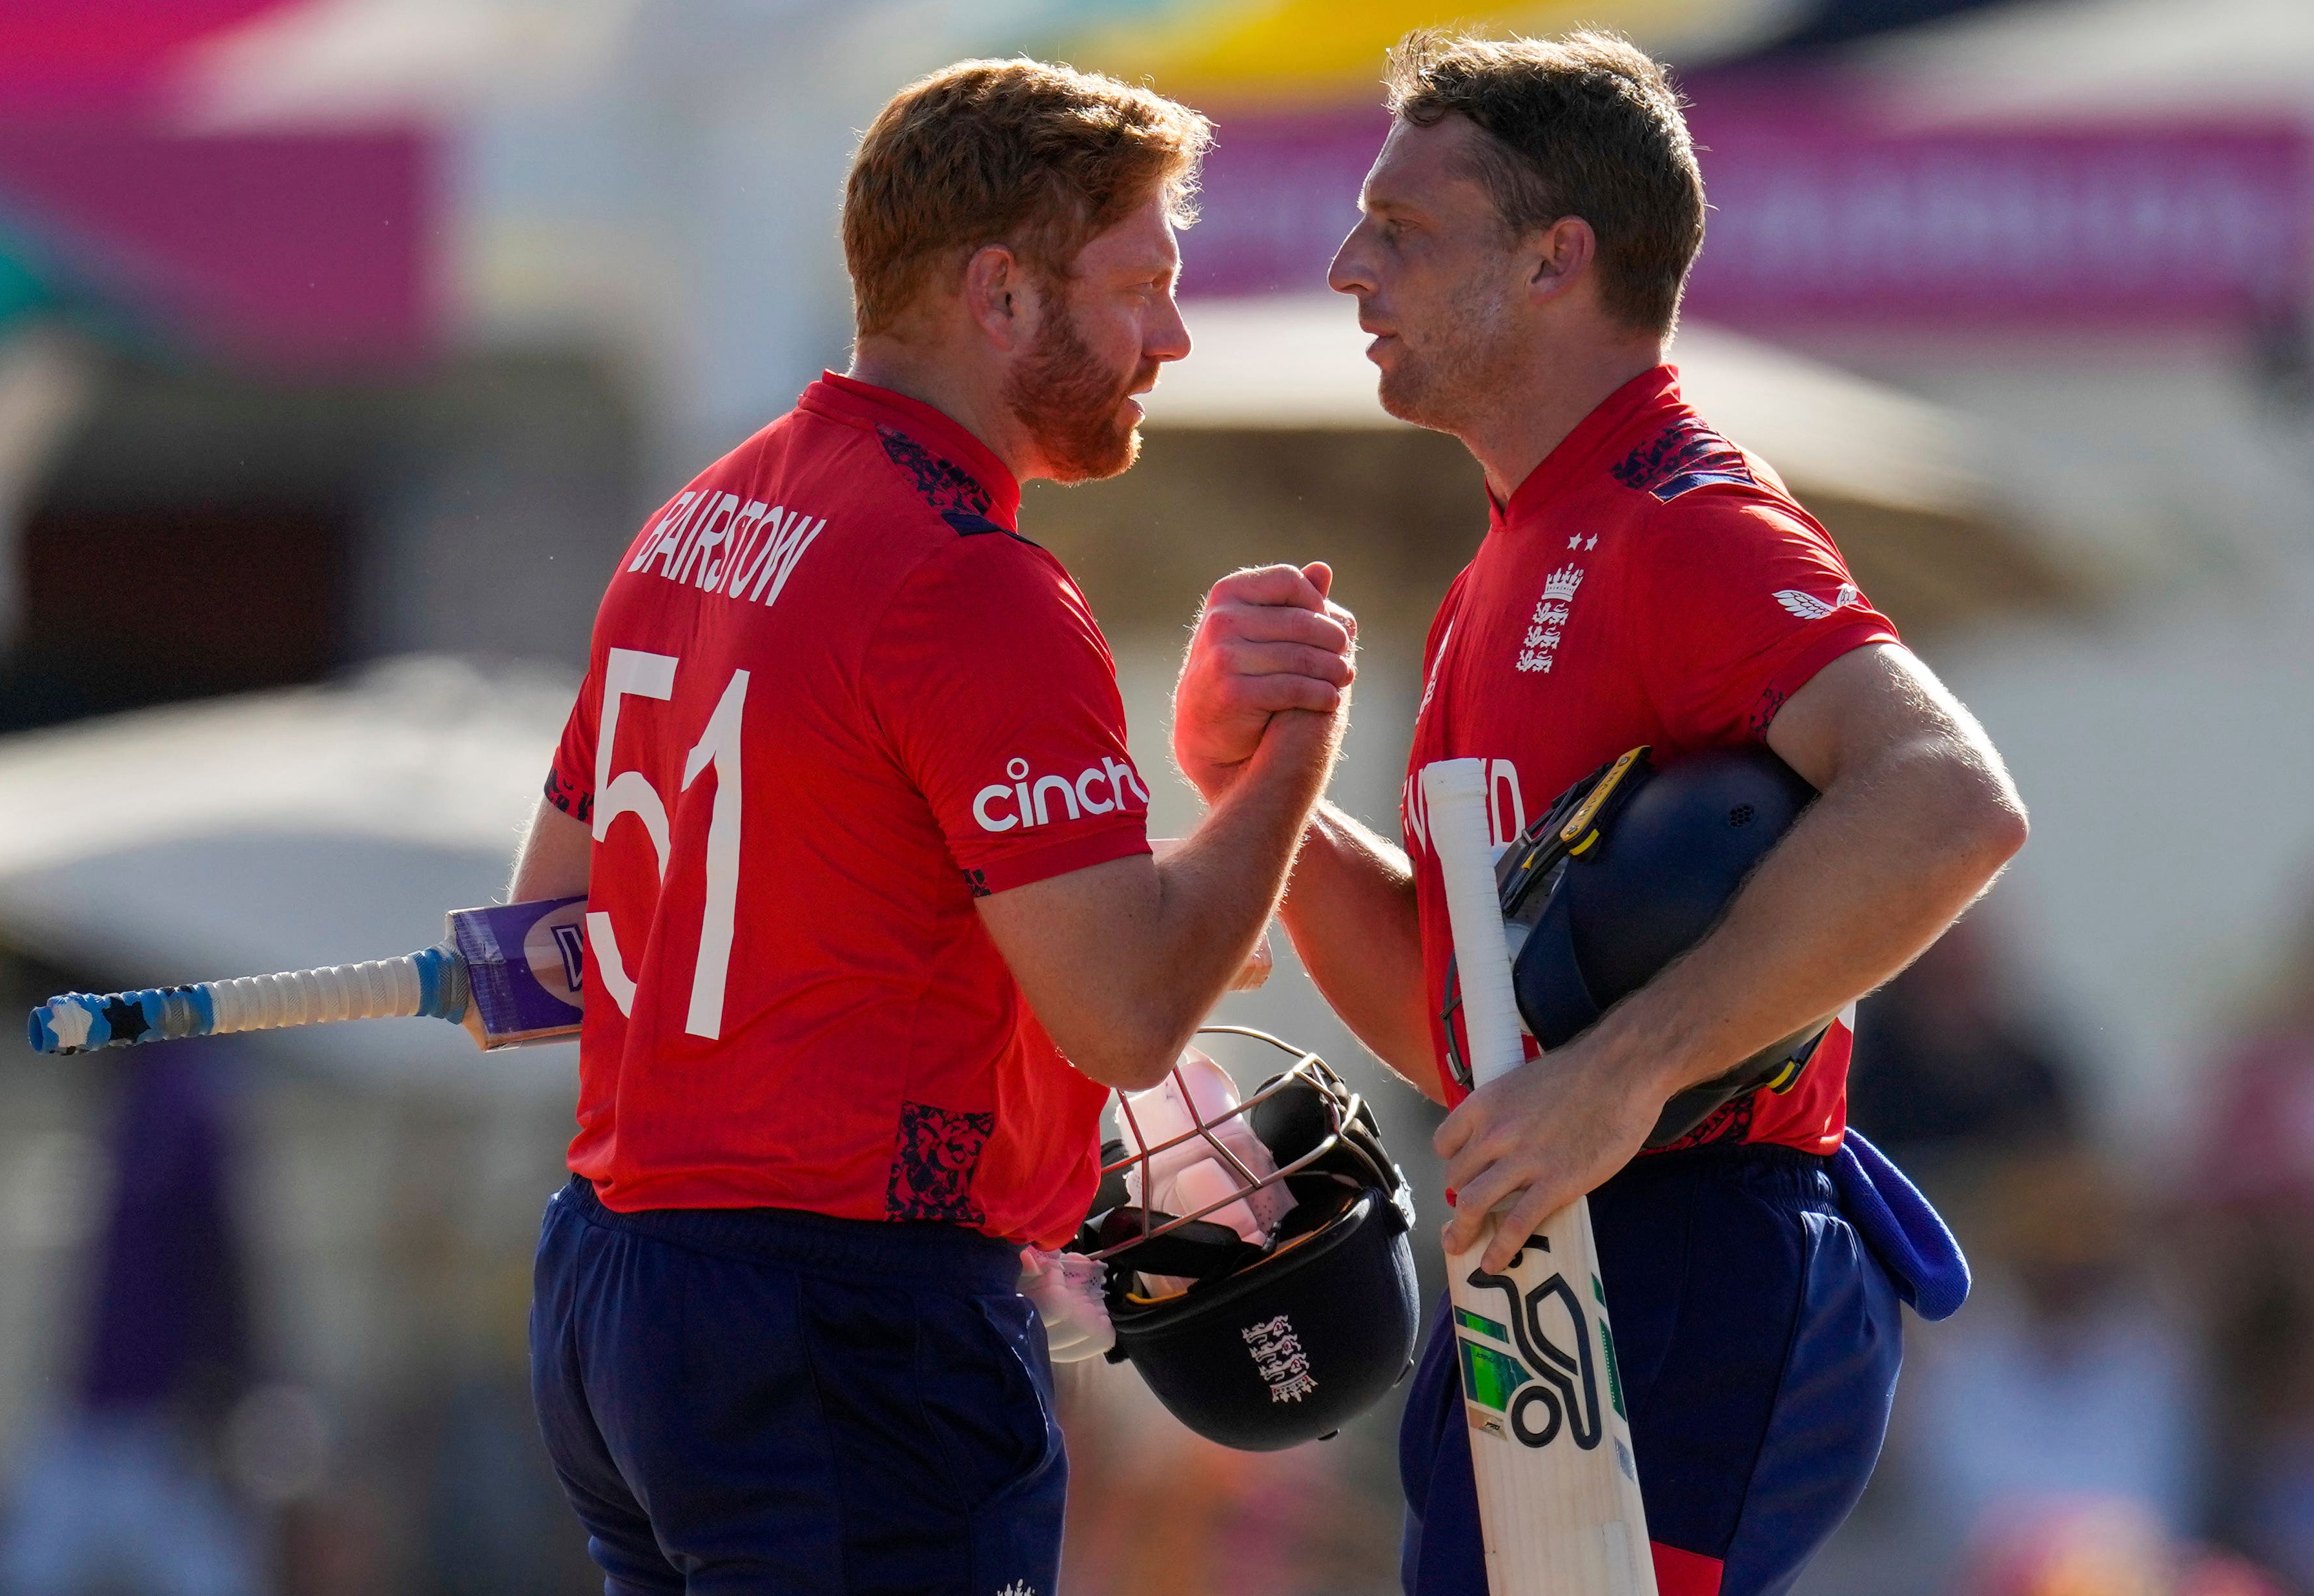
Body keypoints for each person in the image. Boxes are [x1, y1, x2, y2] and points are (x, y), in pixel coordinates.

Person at [1172, 29, 2028, 1596]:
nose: (1350, 265)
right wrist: (1254, 791)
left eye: (1404, 230)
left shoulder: (1676, 519)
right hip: (1557, 1238)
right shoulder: (1511, 555)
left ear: (1560, 258)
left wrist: (1623, 1075)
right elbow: (1466, 1040)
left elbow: (1951, 802)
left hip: (1700, 1246)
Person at [506, 60, 1354, 1595]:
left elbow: (536, 949)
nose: (1170, 335)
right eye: (1142, 286)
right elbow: (1127, 1015)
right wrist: (1292, 750)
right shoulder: (969, 579)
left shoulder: (691, 522)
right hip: (843, 1312)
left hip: (617, 1290)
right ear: (1002, 294)